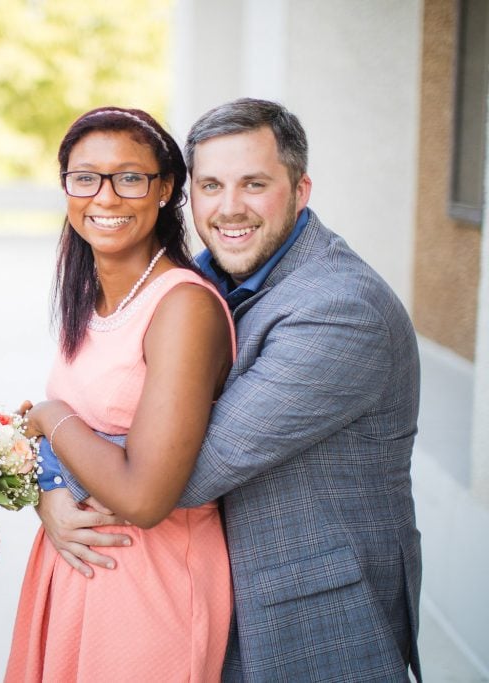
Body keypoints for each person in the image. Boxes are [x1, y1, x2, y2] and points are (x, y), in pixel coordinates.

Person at [36, 98, 422, 681]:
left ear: (300, 189)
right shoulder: (210, 273)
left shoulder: (340, 311)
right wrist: (48, 488)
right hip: (205, 592)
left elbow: (177, 475)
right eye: (212, 185)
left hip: (314, 618)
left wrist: (51, 426)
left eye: (255, 184)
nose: (229, 208)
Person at [4, 107, 236, 681]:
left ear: (164, 190)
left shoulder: (183, 306)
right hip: (78, 567)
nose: (104, 196)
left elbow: (145, 496)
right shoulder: (90, 298)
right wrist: (48, 496)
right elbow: (72, 446)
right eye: (85, 178)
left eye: (129, 178)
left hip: (148, 588)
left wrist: (51, 416)